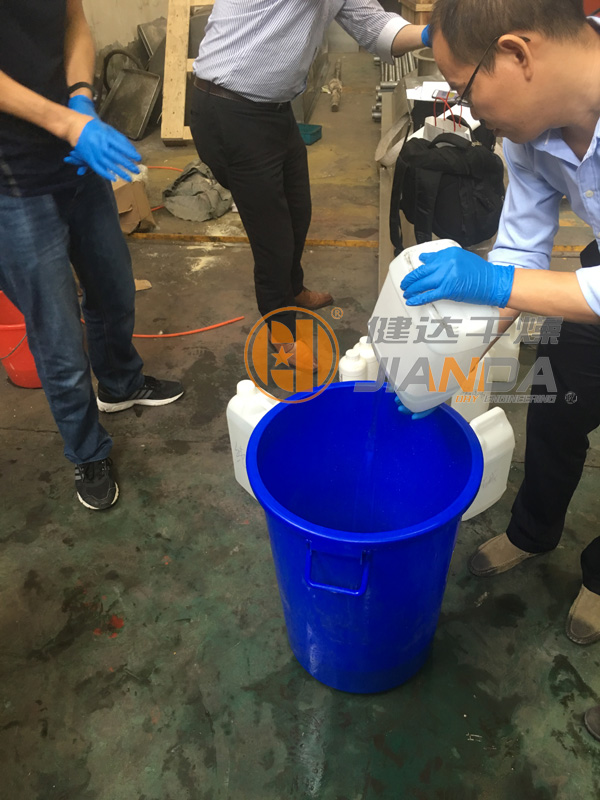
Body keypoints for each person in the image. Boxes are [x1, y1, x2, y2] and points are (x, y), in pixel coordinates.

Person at [399, 0, 600, 644]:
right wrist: (445, 360)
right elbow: (520, 252)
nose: (467, 111)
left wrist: (495, 281)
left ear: (516, 54)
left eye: (464, 89)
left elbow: (505, 279)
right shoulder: (530, 134)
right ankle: (533, 532)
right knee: (557, 406)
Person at [0, 0, 184, 511]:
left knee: (113, 287)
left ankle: (121, 384)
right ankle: (87, 449)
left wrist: (81, 97)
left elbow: (74, 20)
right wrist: (67, 122)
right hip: (12, 180)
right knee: (56, 334)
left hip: (75, 151)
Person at [190, 0, 429, 370]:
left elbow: (378, 29)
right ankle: (281, 338)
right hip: (229, 108)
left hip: (274, 109)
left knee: (298, 211)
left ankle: (293, 289)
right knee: (272, 237)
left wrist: (434, 34)